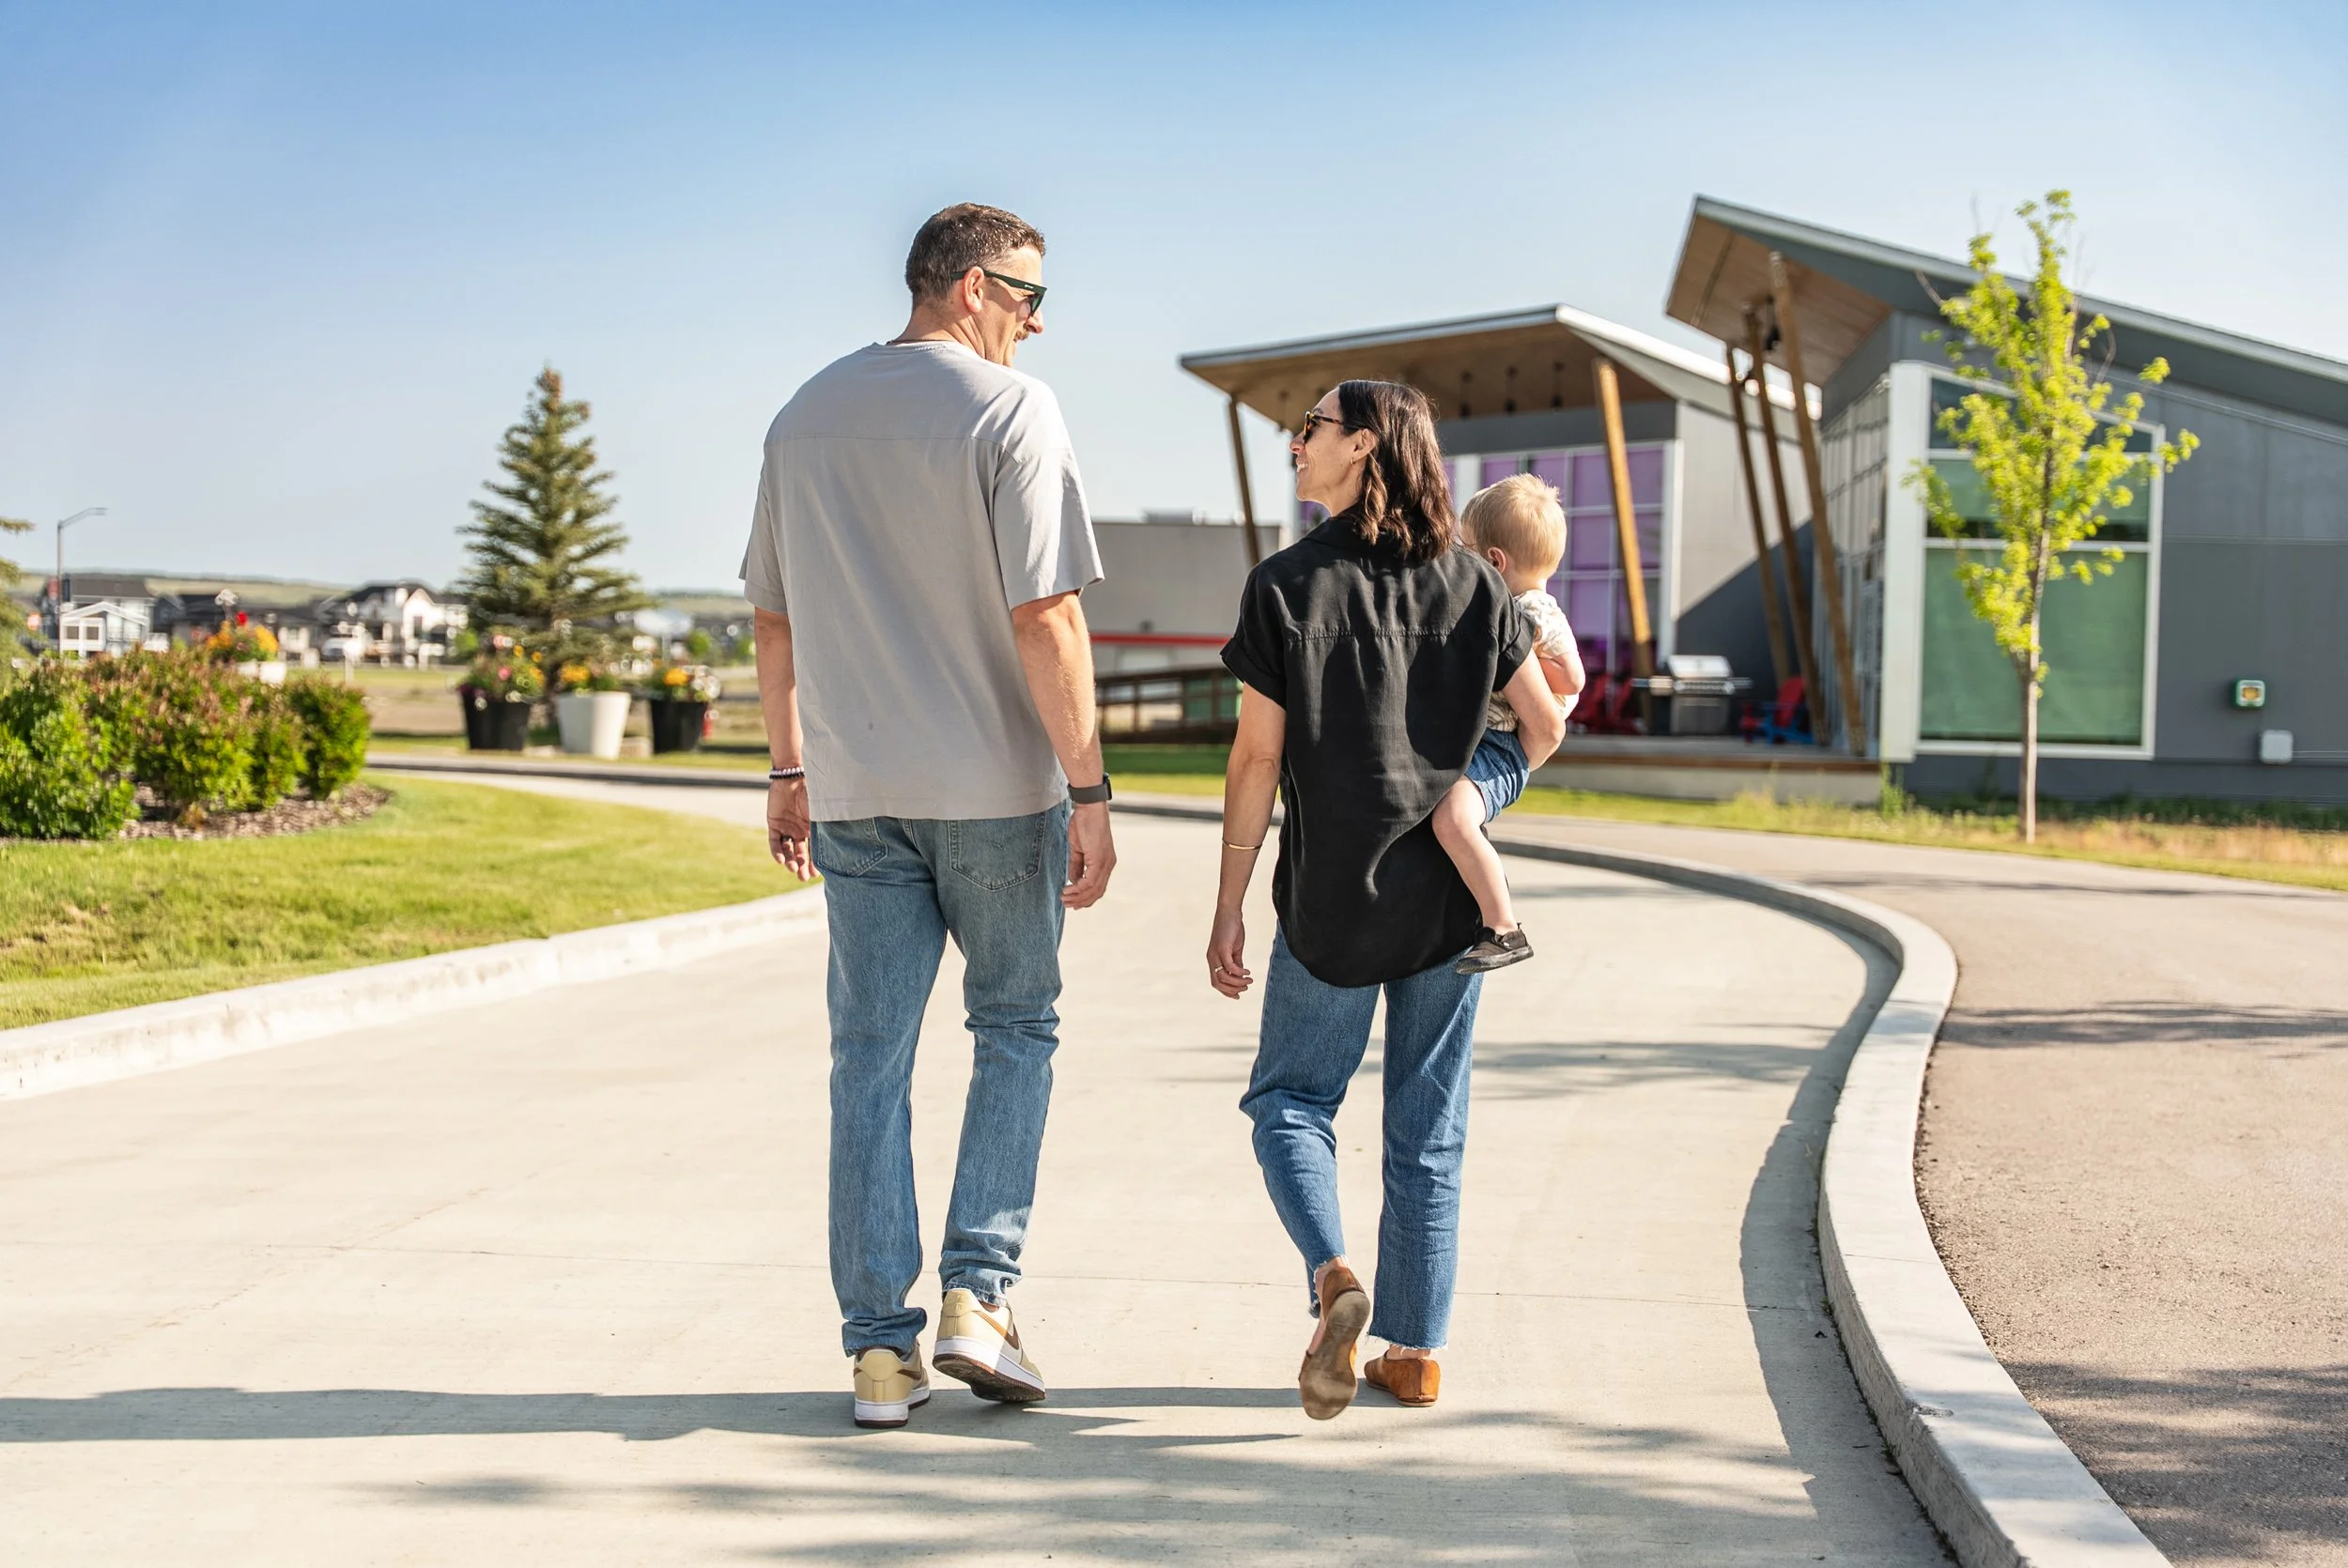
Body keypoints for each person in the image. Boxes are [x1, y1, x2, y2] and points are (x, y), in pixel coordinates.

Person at [741, 202, 1118, 1431]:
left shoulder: (802, 416)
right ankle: (979, 1296)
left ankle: (878, 1355)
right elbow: (1047, 615)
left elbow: (774, 618)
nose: (1037, 321)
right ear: (969, 287)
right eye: (1027, 294)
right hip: (997, 791)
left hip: (857, 795)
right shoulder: (1015, 411)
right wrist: (1090, 789)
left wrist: (787, 770)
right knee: (1015, 1026)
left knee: (870, 1059)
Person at [1208, 380, 1566, 1419]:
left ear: (1363, 445)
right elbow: (1542, 727)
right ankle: (1414, 1355)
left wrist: (1230, 901)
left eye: (1311, 427)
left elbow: (1256, 758)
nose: (1296, 443)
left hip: (1330, 901)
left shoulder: (1284, 586)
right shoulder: (1475, 584)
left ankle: (1333, 1277)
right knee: (1427, 1125)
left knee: (1290, 1102)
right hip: (1449, 910)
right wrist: (1477, 793)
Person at [1429, 474, 1586, 974]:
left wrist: (1521, 657)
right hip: (1487, 737)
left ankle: (1503, 928)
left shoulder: (1530, 609)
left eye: (1466, 550)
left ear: (1494, 562)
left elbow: (1573, 678)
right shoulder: (1506, 606)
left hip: (1501, 744)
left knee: (1454, 818)